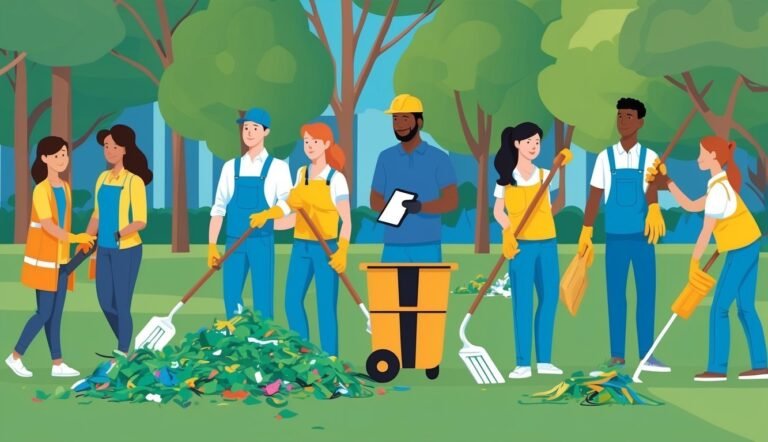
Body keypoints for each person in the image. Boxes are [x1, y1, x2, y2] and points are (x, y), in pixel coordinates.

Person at [647, 136, 768, 381]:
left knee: (719, 308)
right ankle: (761, 365)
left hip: (741, 249)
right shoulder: (718, 185)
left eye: (702, 154)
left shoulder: (719, 190)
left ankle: (717, 368)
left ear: (714, 156)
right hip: (748, 245)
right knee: (745, 307)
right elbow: (691, 206)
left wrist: (693, 263)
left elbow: (706, 231)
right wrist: (667, 181)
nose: (698, 158)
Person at [579, 97, 669, 374]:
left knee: (647, 295)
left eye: (629, 116)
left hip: (643, 238)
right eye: (620, 116)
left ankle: (647, 356)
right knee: (616, 296)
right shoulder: (605, 158)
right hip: (615, 239)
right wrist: (586, 229)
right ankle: (617, 355)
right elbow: (594, 195)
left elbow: (661, 185)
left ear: (640, 122)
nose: (622, 121)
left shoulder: (651, 157)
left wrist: (661, 183)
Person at [6, 136, 95, 378]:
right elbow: (47, 226)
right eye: (56, 155)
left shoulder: (64, 187)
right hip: (44, 262)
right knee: (43, 312)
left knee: (56, 315)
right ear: (44, 158)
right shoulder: (41, 190)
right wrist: (76, 239)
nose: (62, 159)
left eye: (64, 154)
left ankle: (57, 363)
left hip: (61, 261)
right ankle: (15, 356)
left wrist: (71, 249)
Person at [493, 123, 568, 379]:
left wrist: (562, 163)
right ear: (516, 144)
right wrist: (506, 231)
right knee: (522, 303)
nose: (534, 146)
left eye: (538, 142)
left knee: (549, 300)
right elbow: (497, 212)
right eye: (529, 142)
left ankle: (544, 361)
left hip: (547, 244)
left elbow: (551, 205)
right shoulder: (505, 179)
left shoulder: (547, 175)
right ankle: (522, 363)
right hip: (520, 247)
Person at [208, 108, 292, 319]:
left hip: (261, 241)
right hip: (233, 241)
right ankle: (235, 340)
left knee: (263, 296)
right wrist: (211, 245)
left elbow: (288, 203)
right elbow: (219, 208)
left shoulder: (278, 168)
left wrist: (269, 214)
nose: (249, 132)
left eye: (255, 128)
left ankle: (264, 342)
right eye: (246, 127)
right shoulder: (230, 168)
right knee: (231, 295)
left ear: (266, 132)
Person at [280, 122, 351, 356]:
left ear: (327, 144)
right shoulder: (301, 174)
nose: (309, 146)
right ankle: (303, 356)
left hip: (326, 249)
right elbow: (293, 215)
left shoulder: (336, 179)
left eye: (315, 142)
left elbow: (347, 220)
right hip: (300, 246)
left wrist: (342, 250)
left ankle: (331, 360)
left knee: (325, 307)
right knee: (291, 301)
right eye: (306, 142)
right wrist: (269, 221)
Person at [82, 125, 152, 356]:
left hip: (127, 250)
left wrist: (120, 233)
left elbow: (141, 221)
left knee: (122, 304)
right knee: (105, 302)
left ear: (125, 149)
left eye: (114, 146)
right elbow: (97, 214)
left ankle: (122, 351)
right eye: (106, 146)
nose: (109, 150)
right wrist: (85, 237)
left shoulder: (134, 181)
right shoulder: (102, 178)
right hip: (103, 250)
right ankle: (125, 342)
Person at [370, 94, 458, 263]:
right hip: (393, 245)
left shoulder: (439, 159)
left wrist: (420, 207)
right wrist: (393, 210)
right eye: (395, 119)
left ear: (419, 122)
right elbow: (374, 200)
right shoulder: (385, 158)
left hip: (427, 244)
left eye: (405, 118)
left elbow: (451, 201)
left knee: (427, 290)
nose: (399, 125)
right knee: (391, 290)